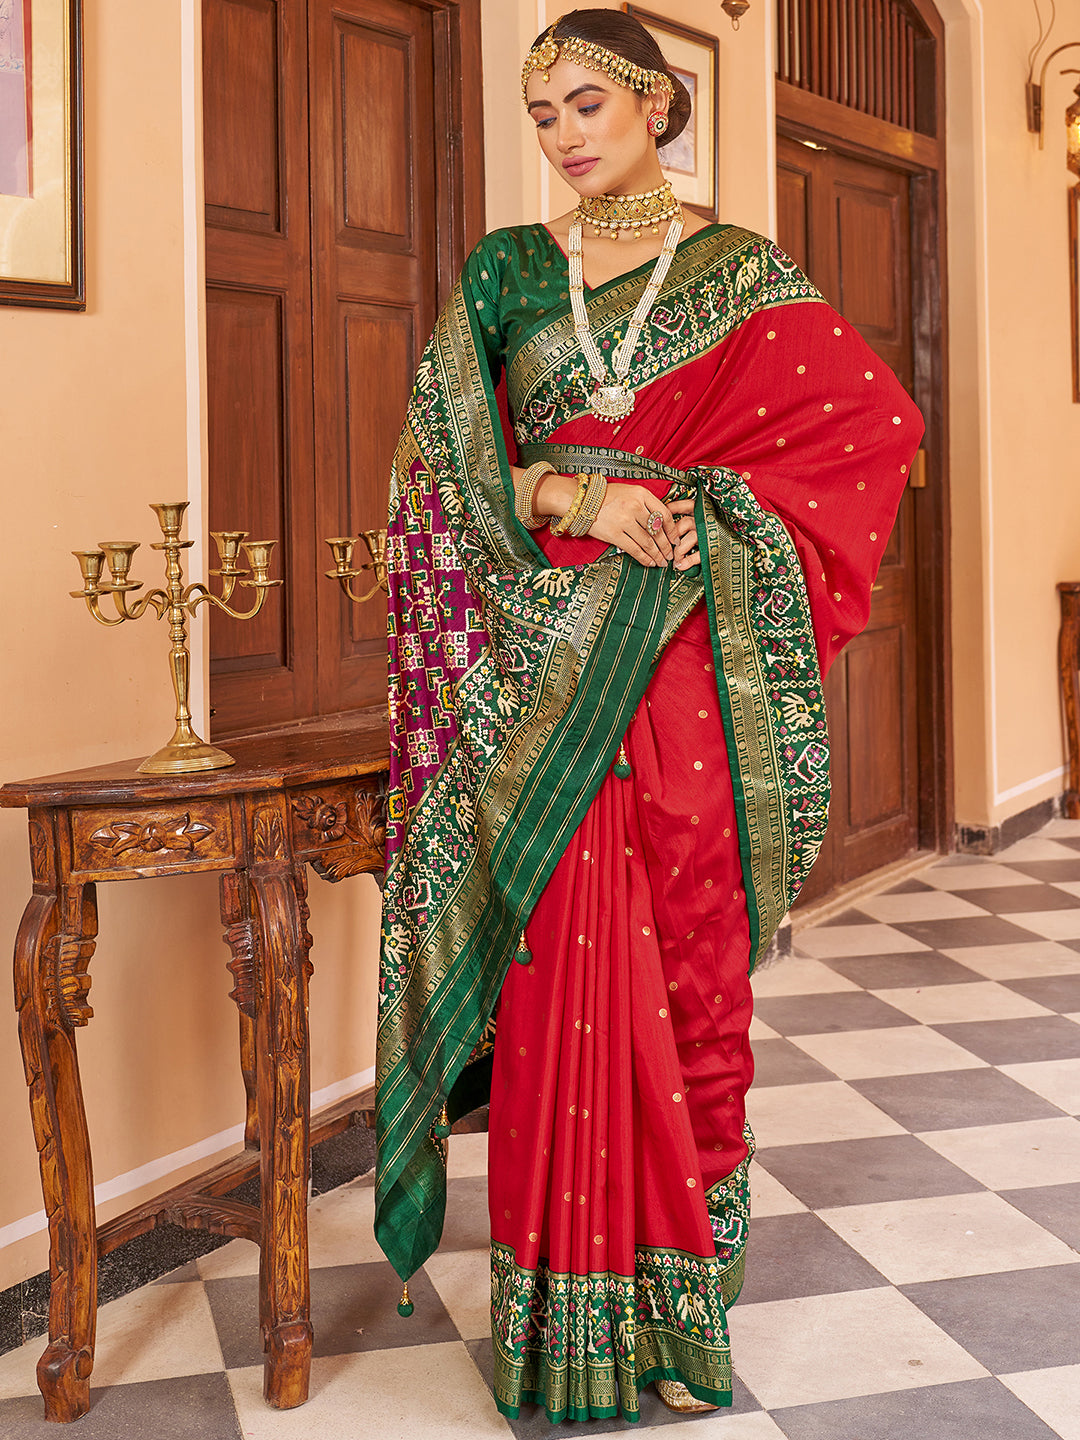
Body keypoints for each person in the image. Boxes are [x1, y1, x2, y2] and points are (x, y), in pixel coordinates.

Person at [374, 8, 922, 1425]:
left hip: (684, 654)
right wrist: (572, 496)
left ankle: (682, 1328)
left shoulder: (742, 272)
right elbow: (436, 471)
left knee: (688, 958)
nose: (560, 137)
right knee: (564, 967)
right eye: (541, 111)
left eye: (585, 108)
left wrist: (696, 513)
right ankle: (561, 1327)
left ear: (658, 107)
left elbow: (872, 431)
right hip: (548, 664)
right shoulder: (506, 272)